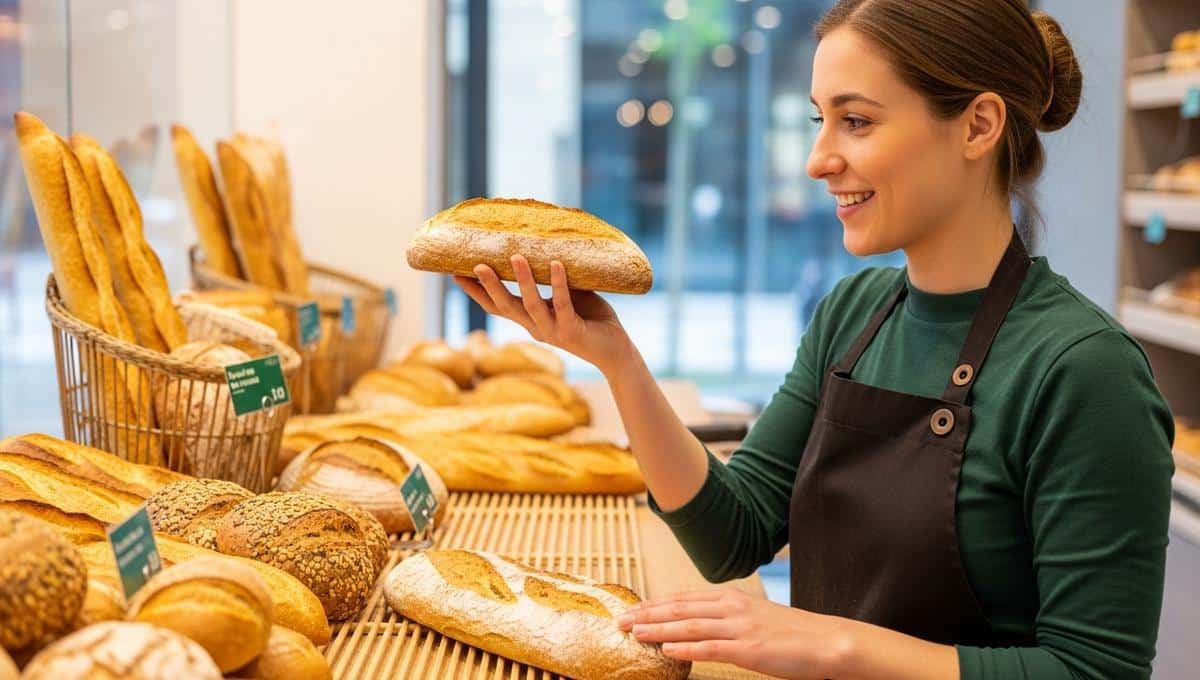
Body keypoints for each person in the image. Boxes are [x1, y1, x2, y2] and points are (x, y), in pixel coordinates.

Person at [455, 1, 1174, 678]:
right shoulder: (853, 315)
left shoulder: (1085, 372)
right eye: (818, 120)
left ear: (978, 126)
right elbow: (733, 534)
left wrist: (835, 645)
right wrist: (617, 360)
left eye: (855, 121)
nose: (817, 158)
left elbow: (1095, 668)